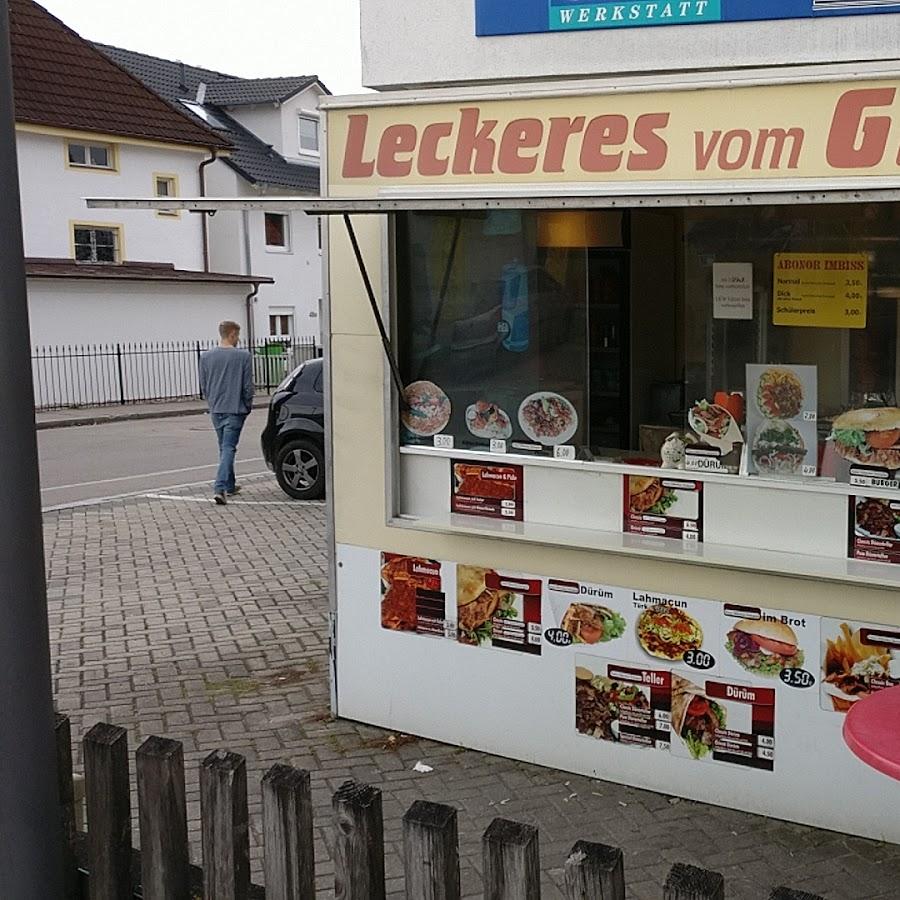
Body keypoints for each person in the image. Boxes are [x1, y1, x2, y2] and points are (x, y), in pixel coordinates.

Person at [199, 320, 254, 505]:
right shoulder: (243, 356)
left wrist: (212, 403)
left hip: (216, 409)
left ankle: (229, 484)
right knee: (229, 447)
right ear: (232, 334)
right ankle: (220, 487)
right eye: (237, 335)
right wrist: (247, 405)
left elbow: (204, 385)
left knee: (224, 447)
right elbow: (247, 386)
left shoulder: (206, 357)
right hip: (235, 408)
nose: (238, 339)